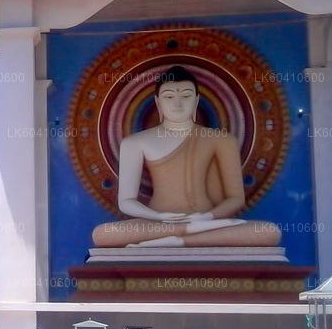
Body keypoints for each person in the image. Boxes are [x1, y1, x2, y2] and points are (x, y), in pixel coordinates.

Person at [91, 66, 281, 248]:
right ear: (158, 102)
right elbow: (126, 202)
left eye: (186, 96)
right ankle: (188, 233)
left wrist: (205, 218)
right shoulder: (135, 143)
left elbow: (235, 199)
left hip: (207, 220)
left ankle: (181, 240)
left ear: (197, 100)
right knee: (102, 234)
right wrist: (159, 218)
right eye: (169, 96)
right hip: (158, 223)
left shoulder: (221, 140)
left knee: (268, 231)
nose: (177, 103)